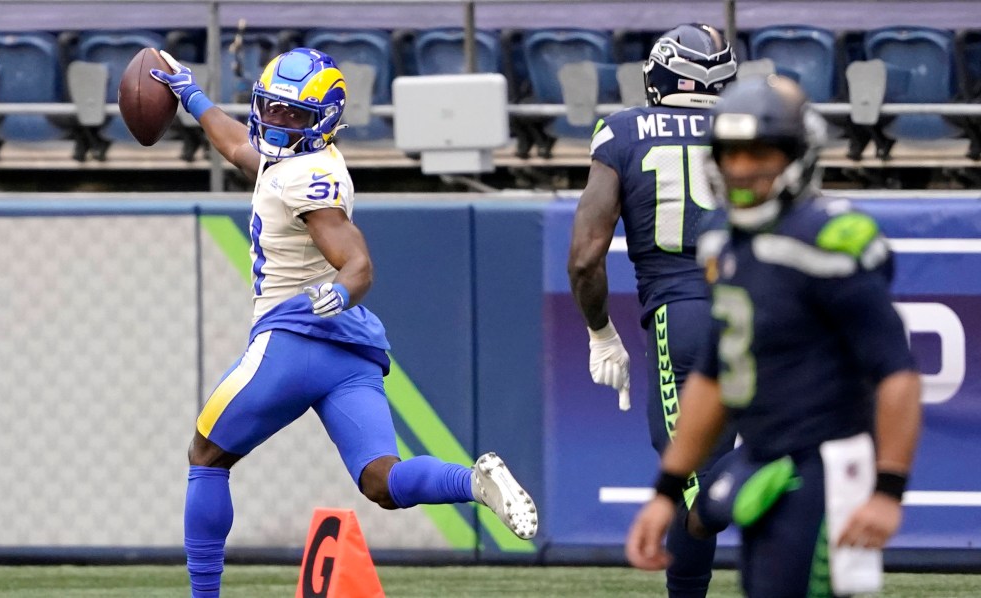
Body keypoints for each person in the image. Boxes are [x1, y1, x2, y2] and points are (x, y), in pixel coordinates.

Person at [151, 48, 538, 597]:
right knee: (380, 478)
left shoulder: (306, 176)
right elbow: (238, 145)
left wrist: (338, 289)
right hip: (348, 350)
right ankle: (472, 482)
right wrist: (192, 96)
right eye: (272, 110)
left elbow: (357, 261)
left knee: (206, 456)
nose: (277, 123)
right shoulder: (295, 160)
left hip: (292, 336)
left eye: (293, 115)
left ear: (325, 119)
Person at [625, 75, 922, 598]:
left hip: (829, 468)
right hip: (764, 464)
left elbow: (897, 374)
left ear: (796, 156)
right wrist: (666, 492)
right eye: (732, 154)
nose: (743, 170)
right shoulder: (722, 241)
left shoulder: (835, 239)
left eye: (760, 153)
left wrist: (888, 490)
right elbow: (715, 375)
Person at [567, 23, 737, 598]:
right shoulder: (752, 127)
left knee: (697, 485)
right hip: (763, 309)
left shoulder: (623, 129)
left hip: (683, 313)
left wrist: (600, 333)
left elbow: (587, 256)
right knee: (697, 488)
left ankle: (764, 478)